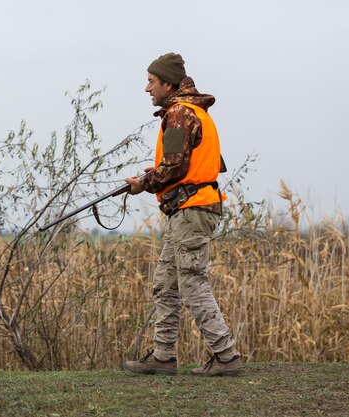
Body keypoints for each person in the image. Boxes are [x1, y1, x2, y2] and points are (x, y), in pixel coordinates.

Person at [123, 53, 243, 376]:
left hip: (191, 210)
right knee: (165, 283)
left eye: (151, 82)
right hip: (190, 207)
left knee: (191, 283)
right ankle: (163, 356)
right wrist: (160, 173)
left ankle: (226, 355)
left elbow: (174, 167)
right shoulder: (195, 113)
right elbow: (189, 165)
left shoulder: (178, 115)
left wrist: (143, 183)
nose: (147, 88)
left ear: (167, 84)